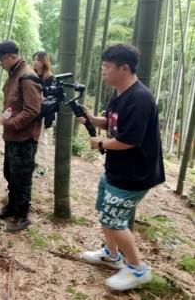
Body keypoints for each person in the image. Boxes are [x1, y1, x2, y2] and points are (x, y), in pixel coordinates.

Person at [78, 43, 165, 291]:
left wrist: (100, 142)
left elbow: (129, 140)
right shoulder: (119, 92)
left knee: (115, 220)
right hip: (116, 170)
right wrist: (94, 120)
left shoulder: (140, 99)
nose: (102, 72)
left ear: (124, 68)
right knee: (106, 213)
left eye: (106, 67)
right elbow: (114, 121)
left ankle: (138, 269)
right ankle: (112, 255)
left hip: (135, 174)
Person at [0, 41, 42, 233]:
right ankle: (11, 207)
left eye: (2, 60)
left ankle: (22, 215)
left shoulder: (27, 76)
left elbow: (32, 110)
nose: (0, 64)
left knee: (22, 176)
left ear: (12, 56)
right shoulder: (14, 73)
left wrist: (11, 123)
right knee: (11, 173)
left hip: (24, 137)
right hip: (13, 136)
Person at [32, 51, 54, 177]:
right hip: (33, 112)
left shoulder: (50, 78)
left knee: (41, 139)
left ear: (44, 61)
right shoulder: (32, 76)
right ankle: (34, 164)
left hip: (45, 113)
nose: (36, 62)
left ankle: (41, 167)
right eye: (34, 59)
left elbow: (52, 99)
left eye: (38, 60)